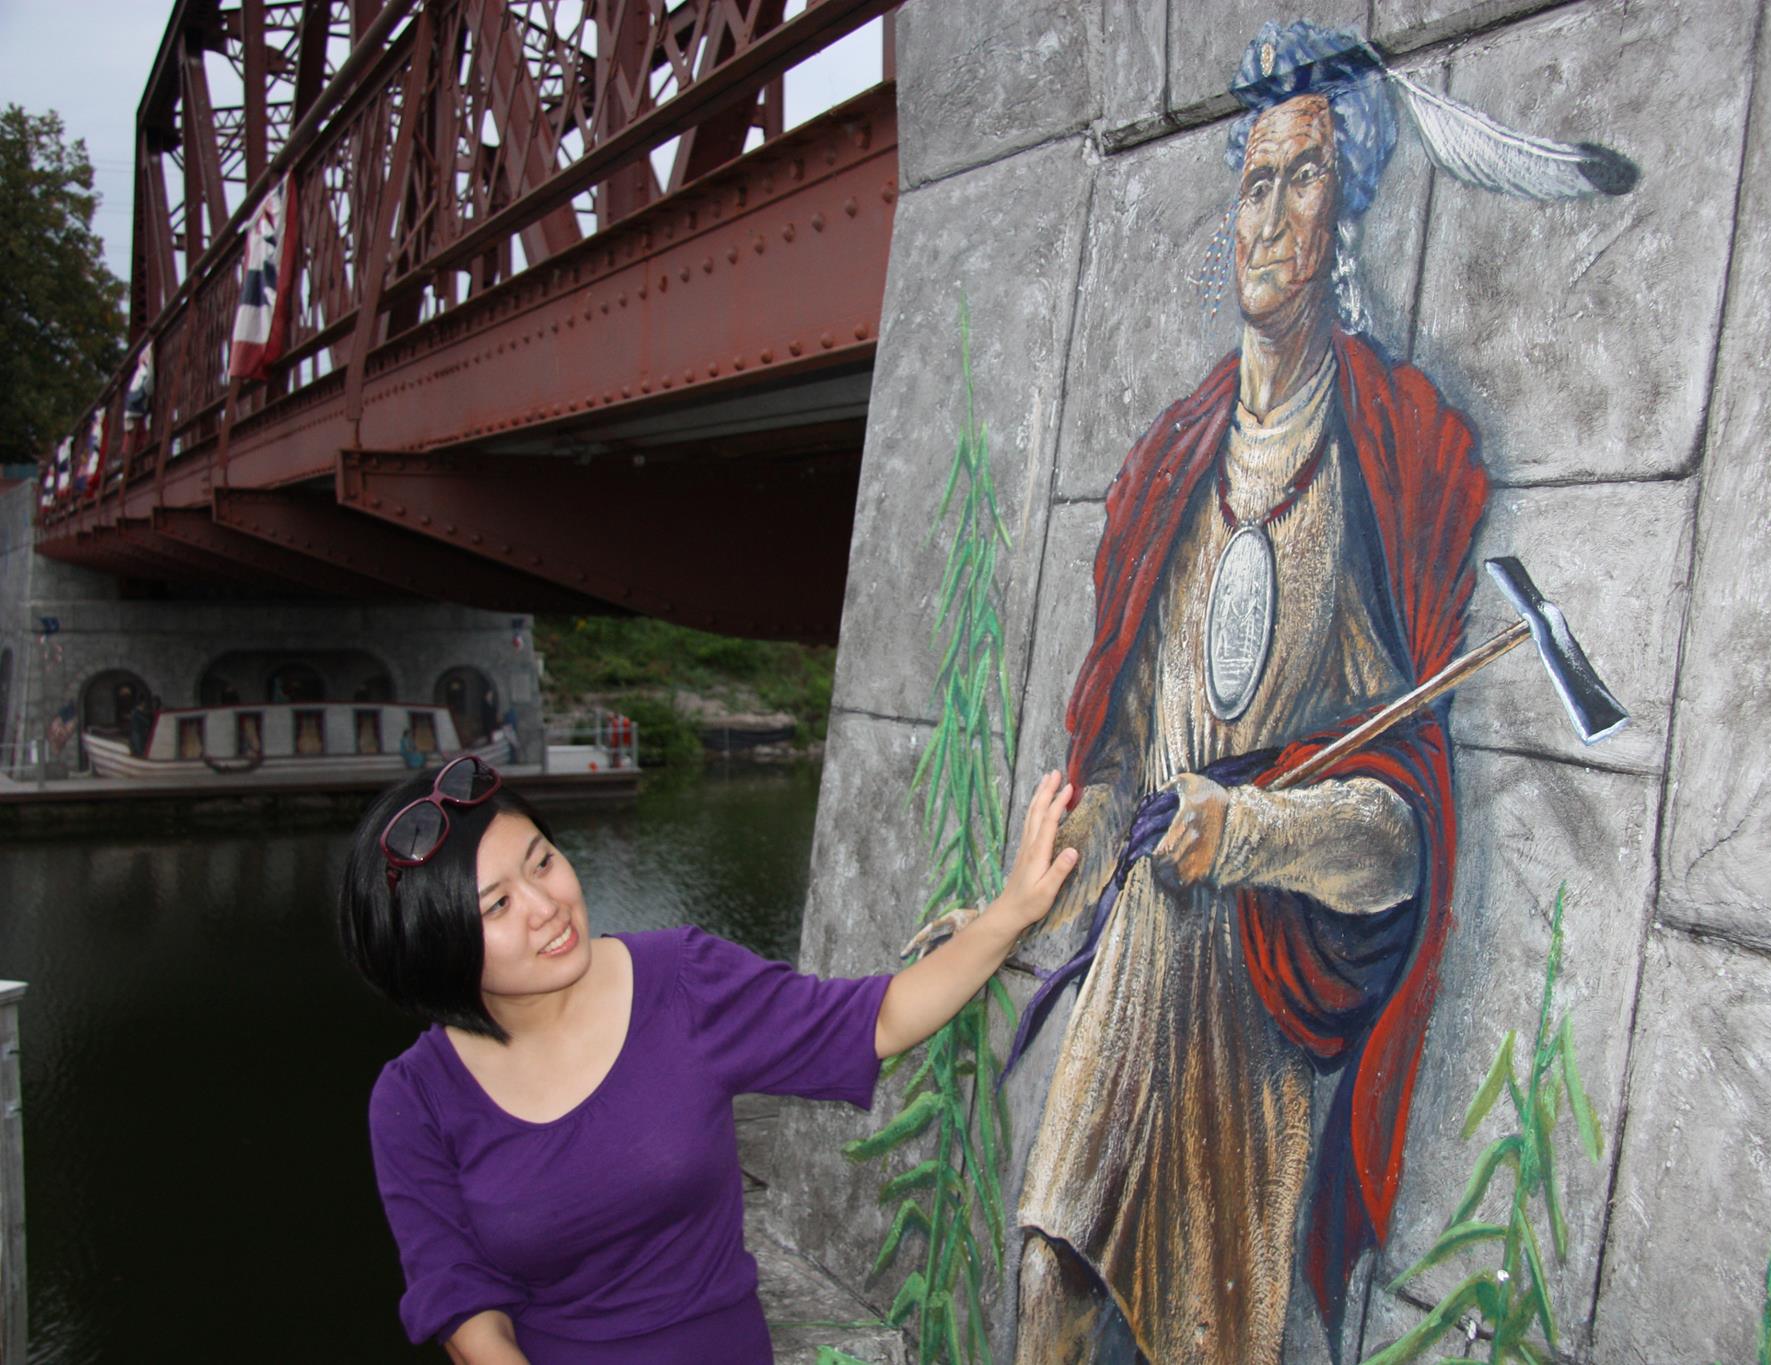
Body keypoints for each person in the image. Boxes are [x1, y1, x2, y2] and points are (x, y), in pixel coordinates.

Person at [1008, 22, 1492, 1364]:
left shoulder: (1388, 453)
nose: (1266, 216)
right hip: (1142, 960)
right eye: (1252, 178)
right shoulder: (1173, 455)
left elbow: (1403, 833)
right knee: (1050, 1263)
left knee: (1213, 1334)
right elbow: (1118, 750)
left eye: (1303, 178)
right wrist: (1063, 859)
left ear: (1348, 212)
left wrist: (1252, 830)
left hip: (1255, 994)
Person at [339, 756, 1078, 1362]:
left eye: (543, 859)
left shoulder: (684, 978)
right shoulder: (414, 1098)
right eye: (496, 904)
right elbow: (462, 1301)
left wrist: (1008, 913)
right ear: (437, 946)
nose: (547, 904)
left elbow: (874, 1018)